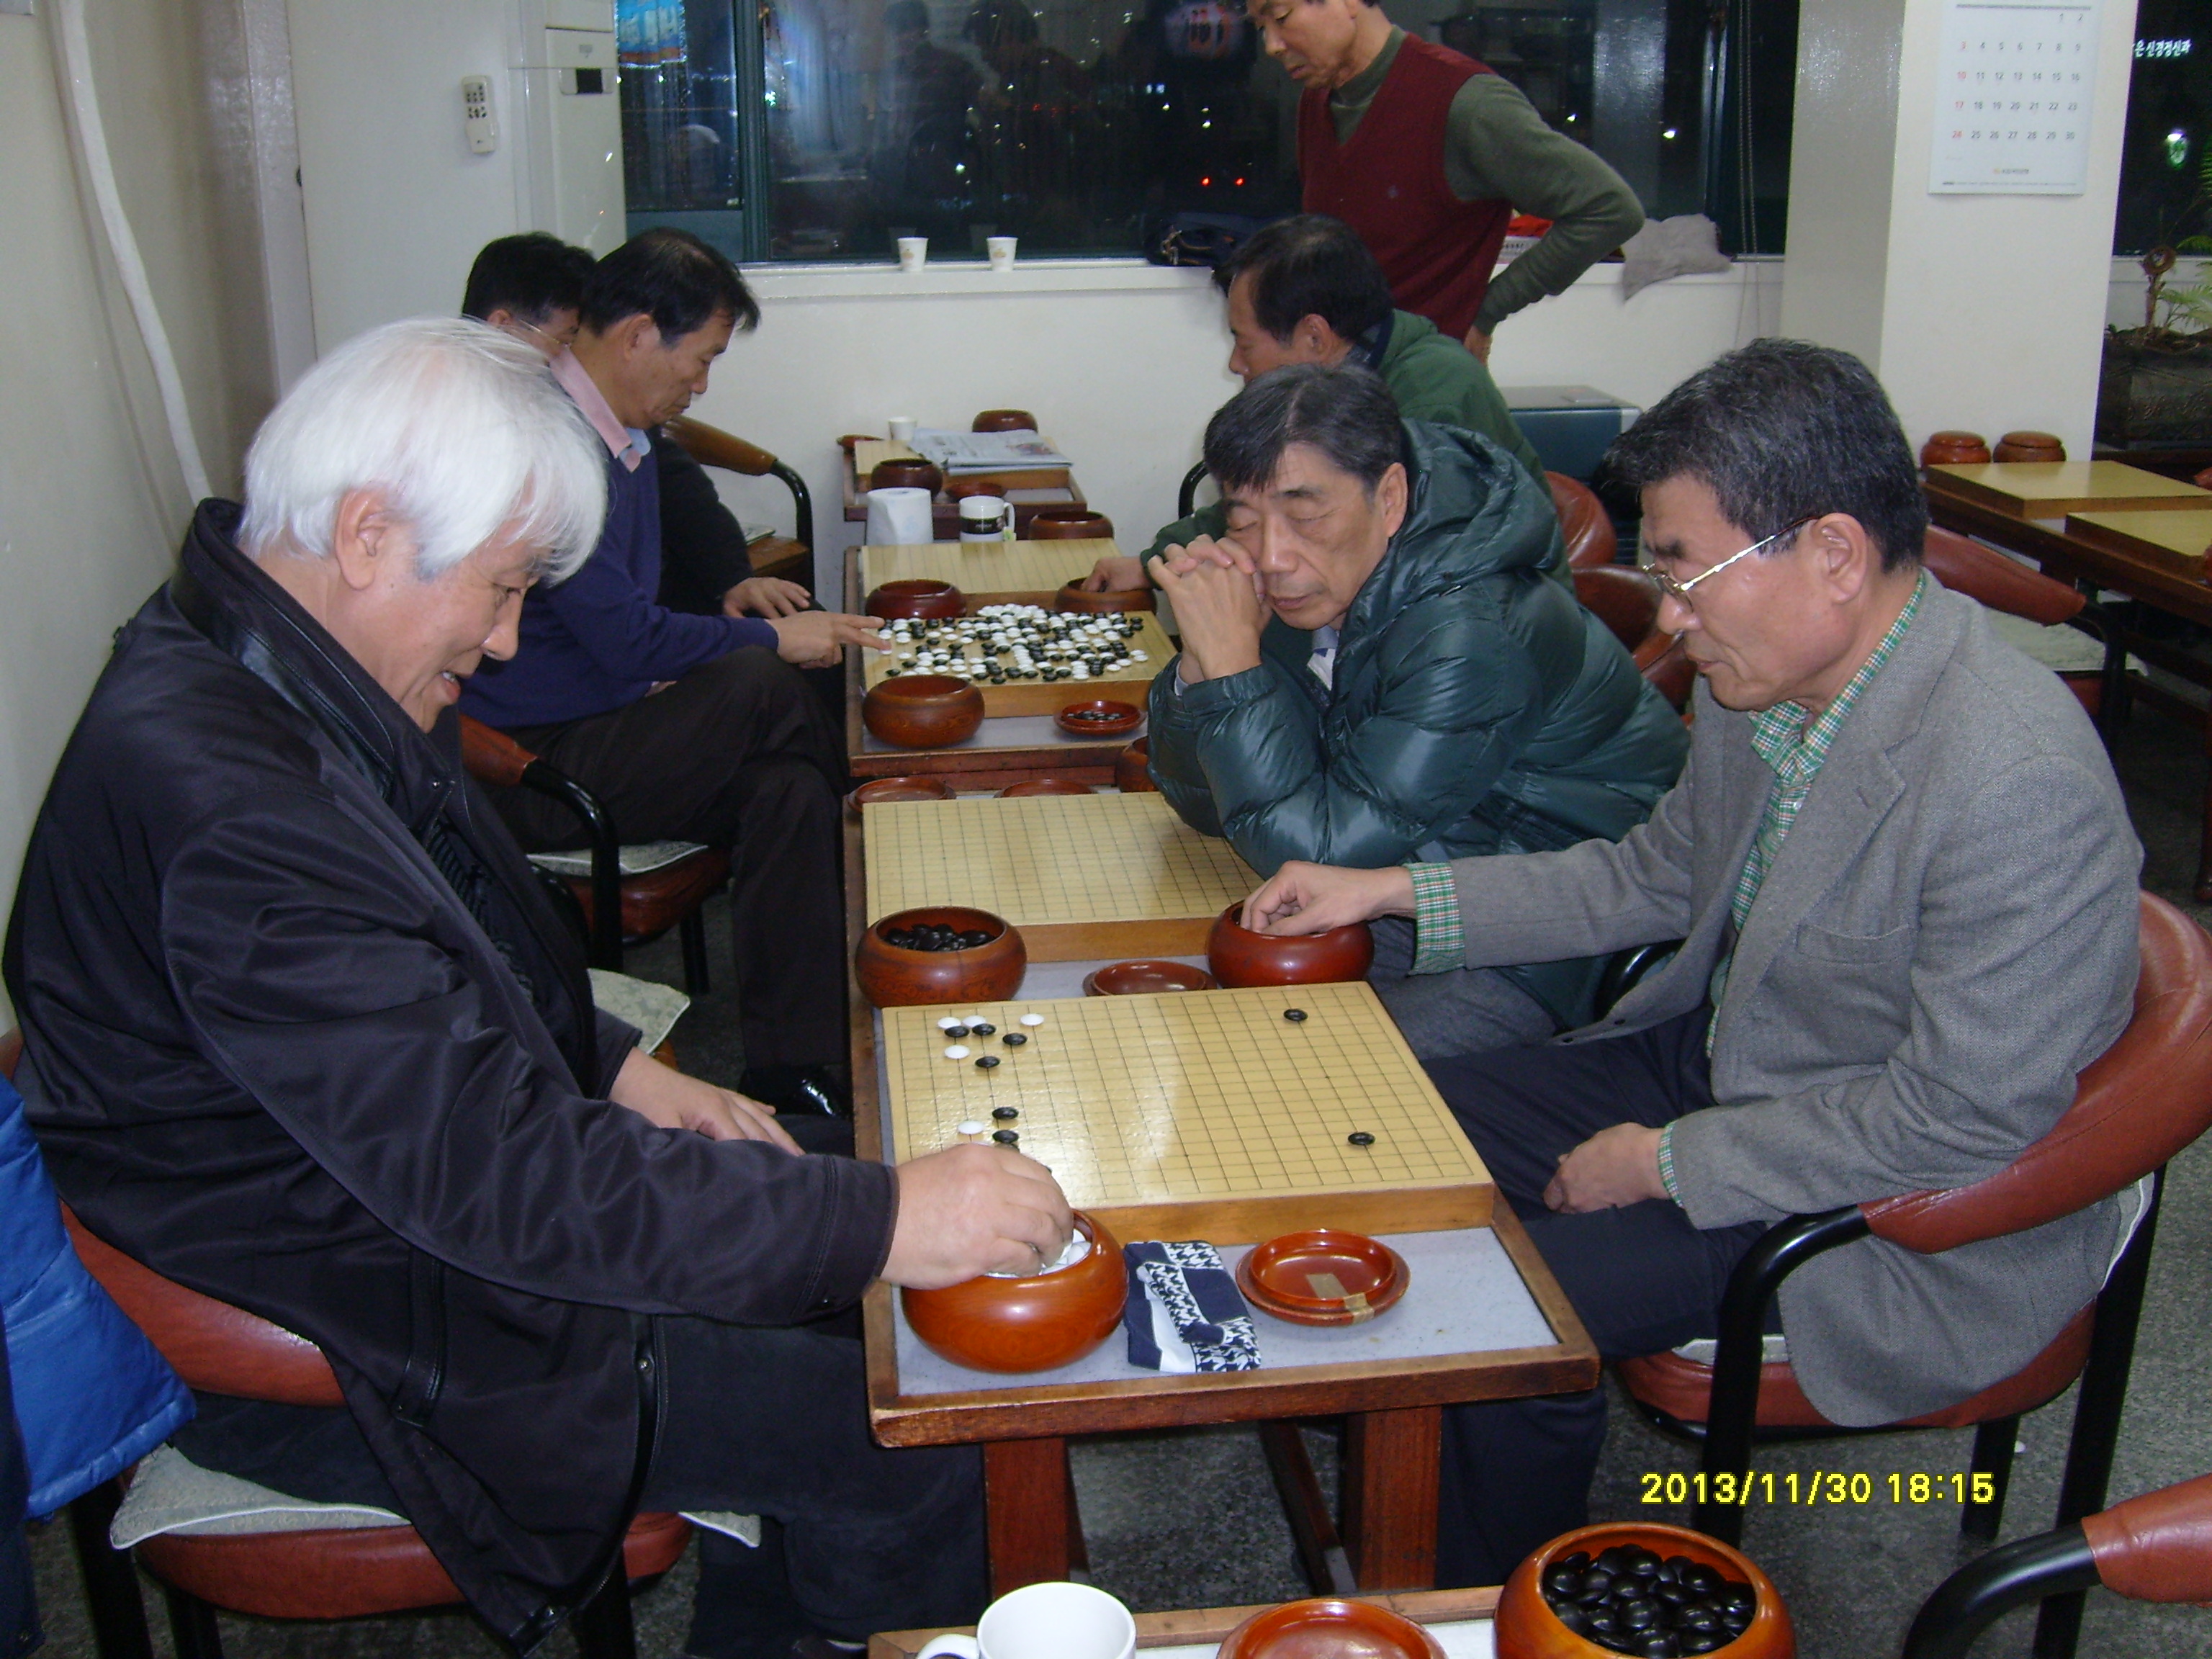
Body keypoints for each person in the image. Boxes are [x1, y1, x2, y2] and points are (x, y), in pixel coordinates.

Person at [5, 318, 1074, 1658]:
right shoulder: (236, 812)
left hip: (379, 1217)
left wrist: (620, 1065)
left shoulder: (272, 655)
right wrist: (876, 1219)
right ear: (369, 532)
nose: (509, 641)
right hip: (354, 1330)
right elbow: (499, 1181)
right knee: (906, 1425)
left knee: (856, 1221)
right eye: (504, 587)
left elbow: (454, 950)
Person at [1237, 339, 2144, 1584]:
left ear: (1833, 552)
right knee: (1377, 1127)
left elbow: (1963, 1113)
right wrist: (1391, 888)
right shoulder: (1764, 681)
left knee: (1486, 1312)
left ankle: (1484, 1596)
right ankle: (1417, 1471)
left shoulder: (2012, 777)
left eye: (1684, 570)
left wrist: (1669, 1161)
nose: (1669, 617)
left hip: (1868, 1194)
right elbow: (1647, 877)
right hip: (1726, 1059)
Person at [459, 228, 881, 1112]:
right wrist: (763, 644)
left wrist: (733, 619)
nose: (703, 382)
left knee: (788, 789)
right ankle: (895, 826)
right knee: (770, 678)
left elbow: (629, 619)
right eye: (704, 357)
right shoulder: (548, 441)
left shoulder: (624, 433)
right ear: (639, 335)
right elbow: (626, 641)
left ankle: (795, 1071)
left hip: (607, 724)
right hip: (530, 767)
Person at [1146, 364, 1686, 1055]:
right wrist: (1204, 666)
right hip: (1396, 878)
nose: (1274, 557)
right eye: (1244, 521)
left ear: (1391, 497)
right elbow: (1208, 805)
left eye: (1307, 515)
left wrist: (1233, 672)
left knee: (1289, 1067)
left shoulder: (1473, 630)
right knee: (1184, 1002)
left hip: (1543, 928)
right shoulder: (1315, 584)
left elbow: (1319, 848)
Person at [1082, 212, 1560, 592]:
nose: (1235, 364)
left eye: (1244, 343)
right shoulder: (1345, 377)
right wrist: (1154, 564)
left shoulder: (1432, 400)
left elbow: (1398, 575)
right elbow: (1262, 501)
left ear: (1314, 337)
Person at [1251, 0, 1643, 360]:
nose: (1271, 45)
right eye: (1260, 27)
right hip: (1337, 381)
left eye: (1281, 17)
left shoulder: (1463, 100)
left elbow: (1609, 209)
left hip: (1424, 386)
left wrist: (1486, 312)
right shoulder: (1317, 101)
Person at [461, 233, 809, 624]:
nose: (701, 386)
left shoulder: (621, 417)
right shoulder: (534, 444)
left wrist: (734, 578)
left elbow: (681, 491)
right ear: (637, 336)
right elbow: (619, 630)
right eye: (564, 339)